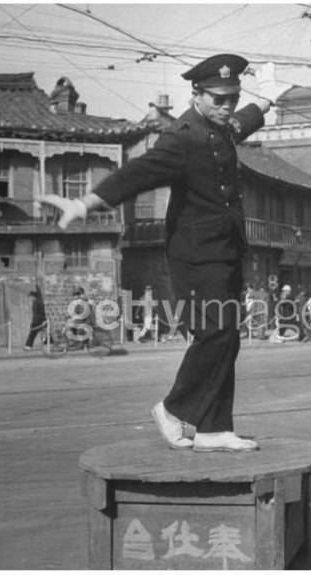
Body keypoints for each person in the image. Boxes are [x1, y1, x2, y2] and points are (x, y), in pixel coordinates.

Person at [40, 54, 271, 452]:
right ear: (196, 95)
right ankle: (172, 409)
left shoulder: (222, 126)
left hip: (226, 250)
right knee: (216, 332)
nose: (226, 106)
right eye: (217, 98)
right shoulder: (182, 138)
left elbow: (240, 121)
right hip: (195, 255)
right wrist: (84, 205)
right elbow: (137, 174)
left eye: (232, 97)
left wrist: (264, 101)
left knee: (226, 338)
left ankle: (214, 428)